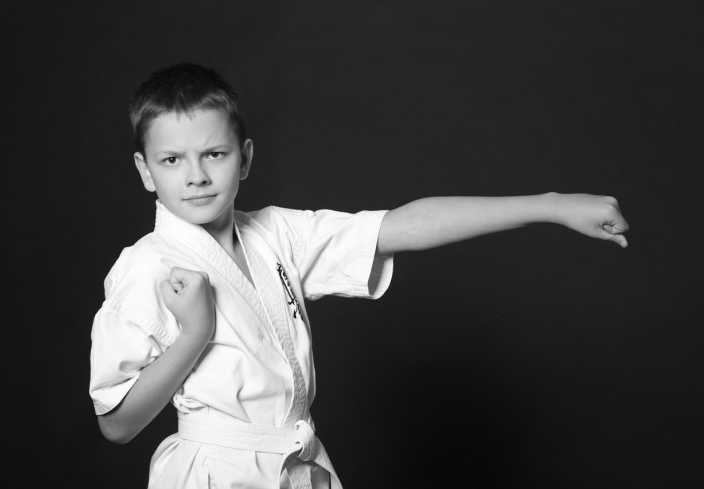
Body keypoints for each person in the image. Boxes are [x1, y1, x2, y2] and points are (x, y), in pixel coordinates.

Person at [89, 62, 629, 489]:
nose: (198, 176)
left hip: (295, 460)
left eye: (214, 153)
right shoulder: (148, 266)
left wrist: (551, 205)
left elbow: (403, 225)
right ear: (145, 170)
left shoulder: (277, 233)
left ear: (245, 158)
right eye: (172, 160)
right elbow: (116, 424)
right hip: (213, 471)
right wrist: (193, 334)